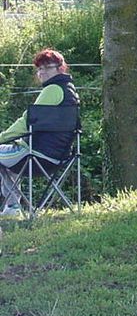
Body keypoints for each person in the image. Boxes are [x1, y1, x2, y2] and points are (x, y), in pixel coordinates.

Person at [0, 49, 79, 217]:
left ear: (60, 68)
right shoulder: (70, 91)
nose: (41, 72)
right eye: (39, 69)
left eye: (46, 68)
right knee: (7, 161)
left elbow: (26, 122)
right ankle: (12, 207)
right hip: (58, 157)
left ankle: (13, 207)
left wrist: (1, 137)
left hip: (35, 154)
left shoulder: (53, 90)